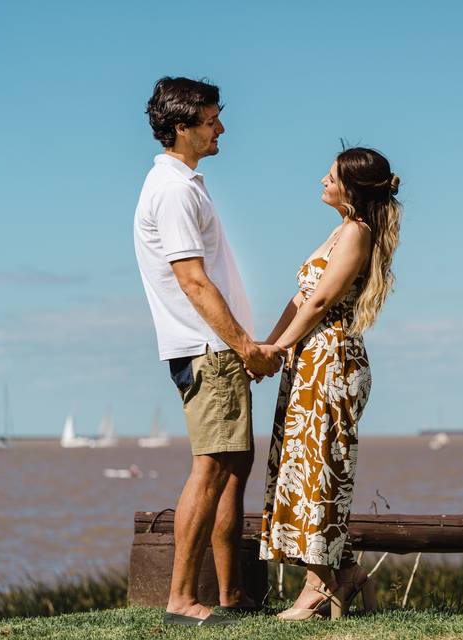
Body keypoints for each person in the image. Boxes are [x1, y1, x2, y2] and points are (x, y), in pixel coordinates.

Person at [134, 76, 284, 626]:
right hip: (208, 349)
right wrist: (244, 345)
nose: (221, 126)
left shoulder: (186, 184)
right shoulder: (173, 190)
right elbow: (193, 281)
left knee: (232, 467)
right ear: (182, 126)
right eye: (212, 118)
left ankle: (230, 594)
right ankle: (180, 600)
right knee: (212, 466)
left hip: (216, 348)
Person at [259, 147, 401, 620]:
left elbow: (320, 303)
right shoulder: (339, 230)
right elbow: (300, 299)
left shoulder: (357, 234)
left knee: (321, 470)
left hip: (333, 359)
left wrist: (277, 350)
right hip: (310, 358)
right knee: (304, 467)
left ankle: (318, 587)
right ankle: (346, 573)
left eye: (332, 175)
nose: (323, 179)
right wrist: (268, 347)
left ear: (351, 188)